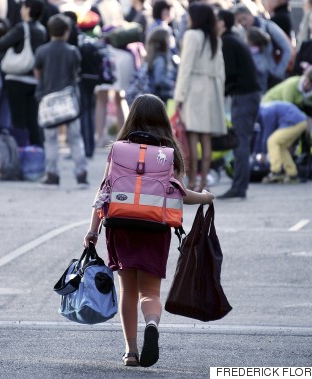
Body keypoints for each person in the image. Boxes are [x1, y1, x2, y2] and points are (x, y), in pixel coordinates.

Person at [84, 94, 215, 368]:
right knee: (150, 292)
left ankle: (130, 352)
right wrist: (205, 197)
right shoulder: (169, 152)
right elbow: (180, 195)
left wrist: (93, 230)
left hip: (120, 227)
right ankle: (152, 324)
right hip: (155, 229)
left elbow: (104, 191)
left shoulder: (119, 150)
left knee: (127, 290)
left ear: (132, 117)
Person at [174, 3, 226, 191]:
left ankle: (193, 181)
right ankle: (204, 180)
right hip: (211, 89)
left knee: (192, 138)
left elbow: (185, 67)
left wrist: (179, 95)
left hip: (194, 90)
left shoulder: (191, 36)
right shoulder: (214, 38)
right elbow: (220, 70)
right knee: (206, 140)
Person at [34, 14, 88, 188]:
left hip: (48, 100)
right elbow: (76, 73)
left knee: (50, 140)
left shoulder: (42, 51)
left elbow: (37, 73)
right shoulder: (72, 51)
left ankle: (52, 175)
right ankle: (81, 174)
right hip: (69, 101)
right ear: (66, 31)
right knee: (74, 138)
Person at [215, 9, 261, 200]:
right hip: (248, 94)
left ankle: (239, 187)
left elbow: (231, 75)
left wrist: (220, 94)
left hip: (244, 96)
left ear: (222, 23)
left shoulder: (227, 42)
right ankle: (239, 185)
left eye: (216, 21)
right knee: (242, 141)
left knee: (240, 142)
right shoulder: (233, 39)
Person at [0, 0, 47, 146]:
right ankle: (37, 151)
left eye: (23, 7)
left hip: (17, 79)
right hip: (34, 79)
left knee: (18, 120)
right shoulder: (42, 29)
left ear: (28, 9)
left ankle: (20, 152)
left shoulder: (21, 28)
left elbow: (0, 44)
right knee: (33, 120)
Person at [262, 65, 312, 143]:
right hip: (268, 108)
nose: (306, 84)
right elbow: (287, 108)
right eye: (306, 80)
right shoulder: (292, 84)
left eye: (310, 84)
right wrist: (307, 120)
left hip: (281, 113)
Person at [234, 4, 293, 87]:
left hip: (270, 76)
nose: (243, 23)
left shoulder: (268, 27)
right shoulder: (240, 33)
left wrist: (278, 72)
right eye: (239, 21)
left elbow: (287, 48)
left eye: (244, 18)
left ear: (251, 14)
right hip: (252, 80)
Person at [256, 101, 309, 184]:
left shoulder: (265, 113)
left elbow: (267, 134)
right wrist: (258, 151)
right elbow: (260, 134)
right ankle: (292, 173)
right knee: (281, 146)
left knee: (272, 141)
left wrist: (264, 153)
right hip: (299, 121)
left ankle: (276, 172)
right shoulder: (263, 110)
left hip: (295, 121)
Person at [146, 27, 176, 104]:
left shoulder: (155, 57)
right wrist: (172, 84)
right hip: (163, 97)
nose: (170, 40)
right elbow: (159, 80)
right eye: (168, 37)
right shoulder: (160, 59)